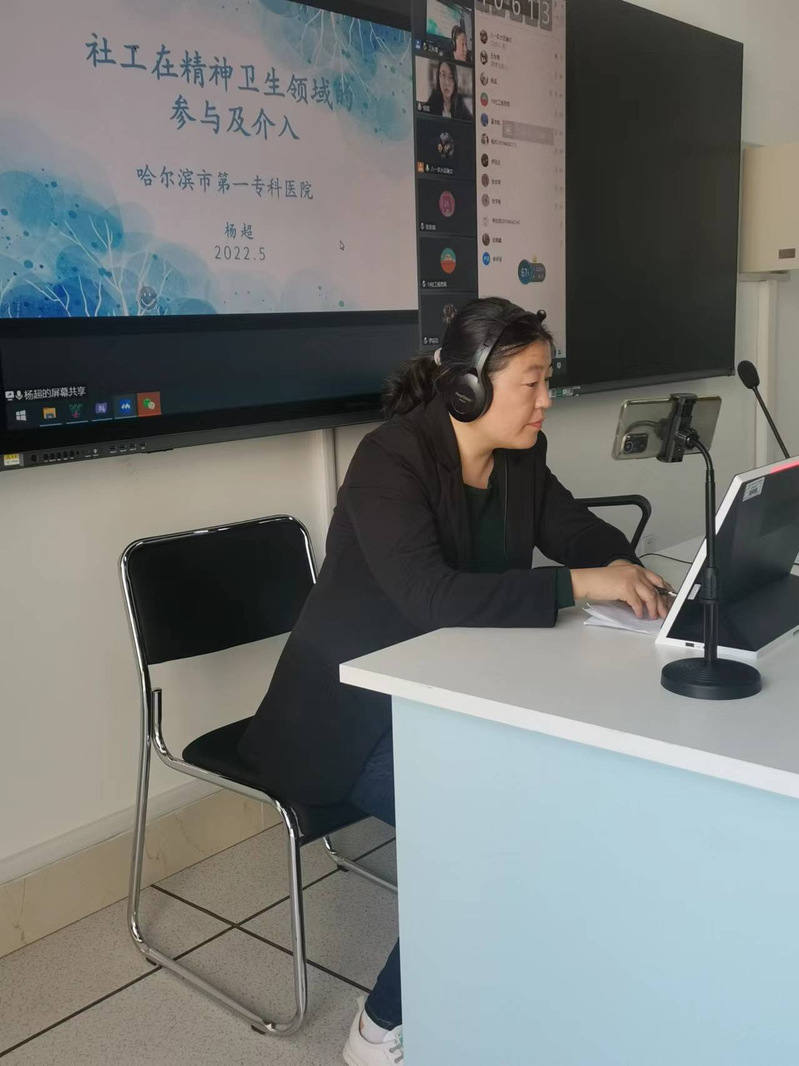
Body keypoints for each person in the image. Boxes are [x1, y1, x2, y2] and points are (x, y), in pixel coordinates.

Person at [239, 297, 672, 1066]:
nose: (546, 400)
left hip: (453, 693)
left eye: (547, 381)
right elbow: (430, 597)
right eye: (531, 383)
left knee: (559, 802)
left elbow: (570, 528)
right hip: (346, 718)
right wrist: (580, 585)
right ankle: (379, 1027)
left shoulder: (520, 454)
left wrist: (624, 569)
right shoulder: (389, 458)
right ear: (467, 387)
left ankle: (517, 962)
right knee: (490, 834)